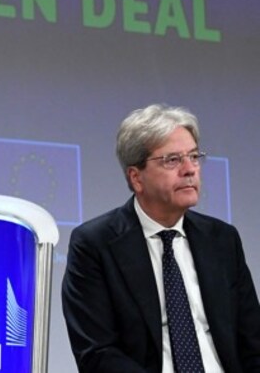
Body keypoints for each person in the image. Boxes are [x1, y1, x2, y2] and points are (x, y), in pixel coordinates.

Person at [62, 103, 260, 372]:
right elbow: (97, 353)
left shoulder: (223, 240)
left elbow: (253, 342)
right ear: (136, 178)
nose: (190, 169)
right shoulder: (95, 244)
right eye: (173, 160)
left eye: (194, 156)